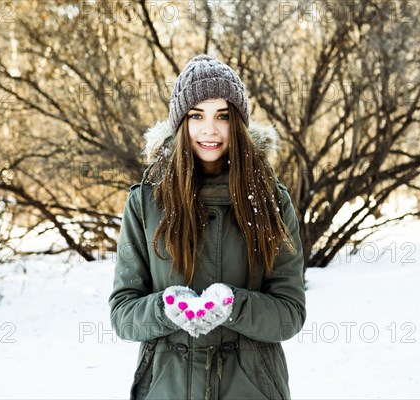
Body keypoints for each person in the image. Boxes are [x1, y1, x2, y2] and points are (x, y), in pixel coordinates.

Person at [108, 54, 306, 400]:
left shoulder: (271, 199)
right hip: (166, 388)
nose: (209, 130)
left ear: (238, 123)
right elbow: (123, 314)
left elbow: (289, 313)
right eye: (197, 115)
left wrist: (234, 305)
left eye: (222, 116)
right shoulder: (146, 202)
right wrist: (164, 308)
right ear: (181, 122)